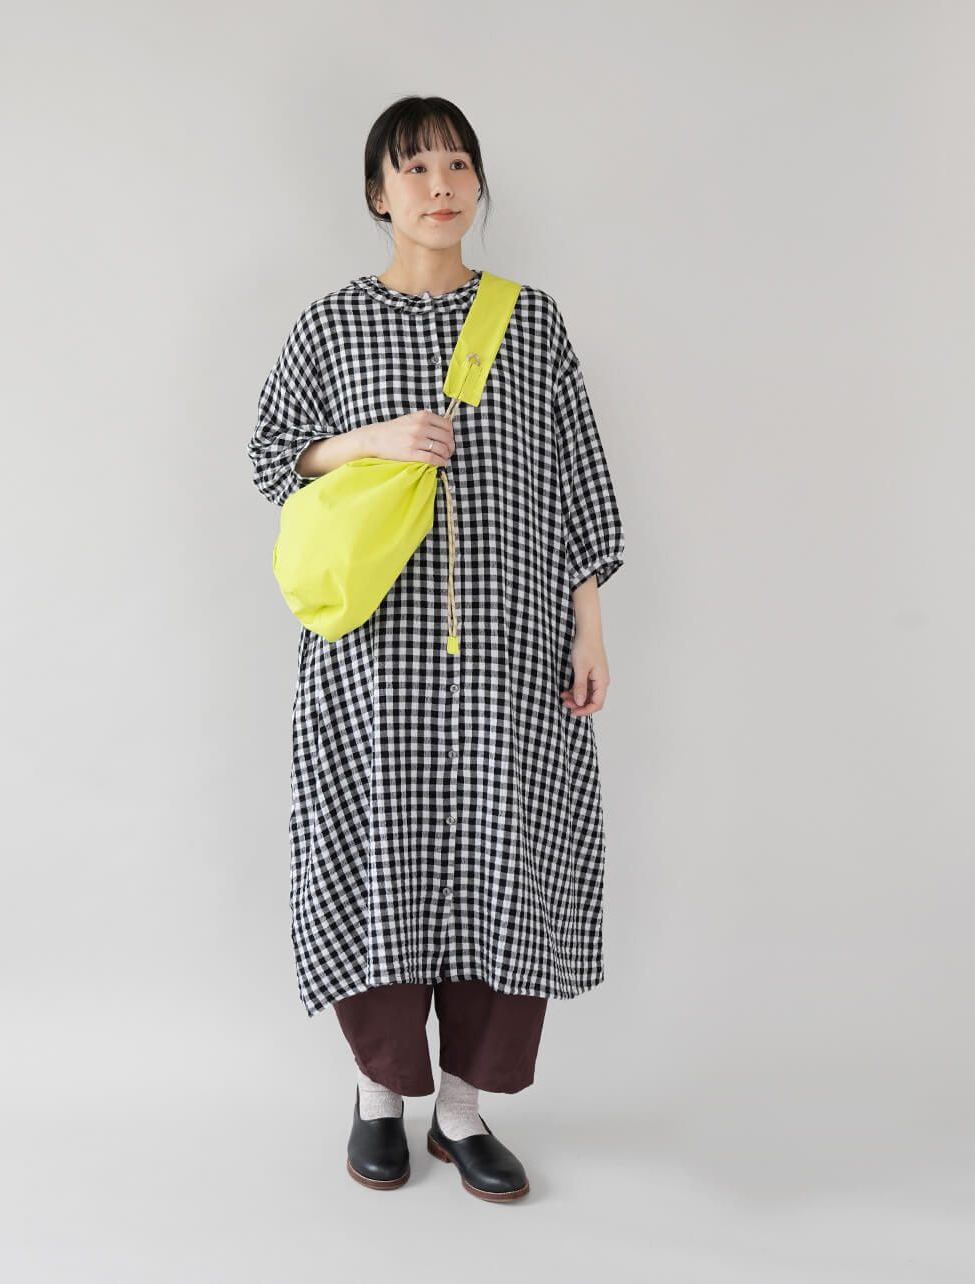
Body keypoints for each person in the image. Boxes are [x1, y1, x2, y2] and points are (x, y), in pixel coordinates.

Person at [247, 95, 625, 1202]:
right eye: (413, 167)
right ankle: (379, 1097)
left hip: (511, 654)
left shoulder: (530, 322)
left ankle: (462, 1112)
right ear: (378, 194)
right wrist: (371, 438)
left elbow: (577, 479)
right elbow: (271, 455)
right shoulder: (330, 325)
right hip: (373, 659)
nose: (439, 184)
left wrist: (589, 627)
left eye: (457, 163)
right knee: (376, 858)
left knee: (507, 862)